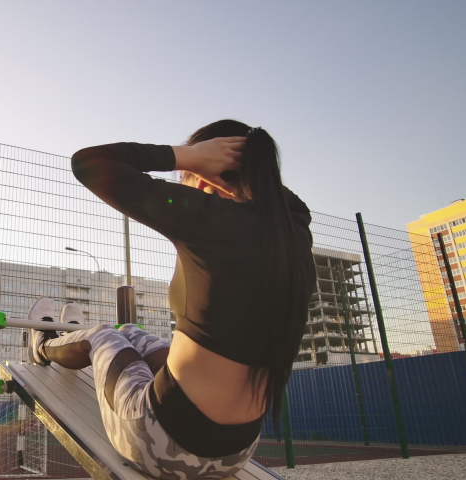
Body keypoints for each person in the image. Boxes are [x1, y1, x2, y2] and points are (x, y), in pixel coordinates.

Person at [27, 121, 316, 480]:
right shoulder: (296, 229)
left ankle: (42, 345)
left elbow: (88, 162)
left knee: (104, 334)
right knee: (129, 330)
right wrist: (236, 171)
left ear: (205, 173)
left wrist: (188, 156)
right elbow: (284, 199)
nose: (181, 182)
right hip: (236, 452)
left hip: (162, 446)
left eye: (185, 174)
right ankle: (69, 337)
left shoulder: (207, 217)